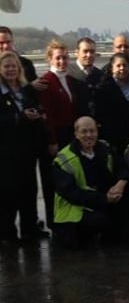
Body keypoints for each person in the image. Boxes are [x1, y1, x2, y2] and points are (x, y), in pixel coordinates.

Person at [37, 39, 92, 228]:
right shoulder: (46, 82)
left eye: (65, 58)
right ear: (50, 59)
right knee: (52, 180)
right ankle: (54, 220)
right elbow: (47, 115)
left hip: (70, 135)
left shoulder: (70, 80)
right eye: (58, 58)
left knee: (71, 177)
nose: (62, 61)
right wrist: (51, 141)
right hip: (55, 136)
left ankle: (71, 215)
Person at [52, 116, 127, 248]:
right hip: (74, 209)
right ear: (76, 134)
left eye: (92, 131)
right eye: (84, 131)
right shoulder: (63, 159)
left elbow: (123, 167)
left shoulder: (105, 149)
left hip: (101, 198)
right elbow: (72, 194)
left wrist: (120, 185)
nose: (89, 135)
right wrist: (104, 199)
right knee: (99, 222)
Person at [0, 51, 47, 244]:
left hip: (27, 149)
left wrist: (39, 114)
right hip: (6, 150)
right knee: (8, 193)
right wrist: (20, 117)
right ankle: (8, 234)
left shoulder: (26, 89)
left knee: (29, 190)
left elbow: (34, 106)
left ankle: (29, 229)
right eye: (6, 67)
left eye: (14, 66)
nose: (11, 70)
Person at [95, 53, 129, 157]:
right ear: (112, 68)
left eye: (125, 65)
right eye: (118, 66)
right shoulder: (103, 88)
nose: (122, 68)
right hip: (115, 137)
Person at [67, 37, 103, 110]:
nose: (89, 55)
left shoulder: (101, 75)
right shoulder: (67, 73)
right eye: (85, 51)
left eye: (92, 51)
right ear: (77, 52)